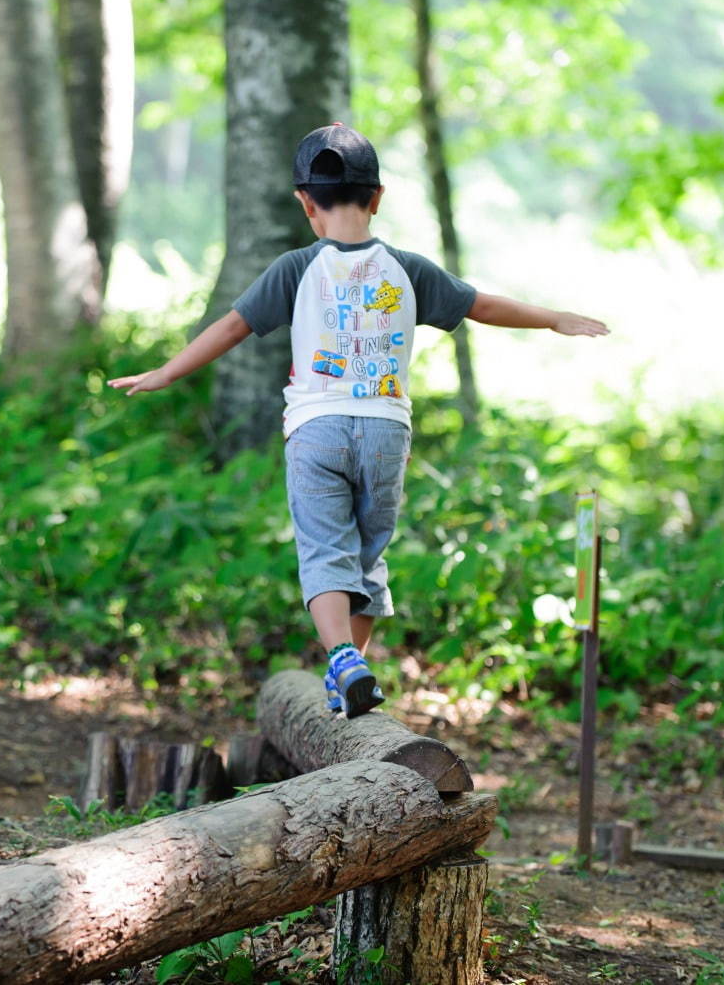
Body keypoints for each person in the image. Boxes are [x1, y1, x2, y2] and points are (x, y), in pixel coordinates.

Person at [109, 122, 609, 718]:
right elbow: (481, 305)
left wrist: (167, 371)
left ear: (305, 203)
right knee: (369, 560)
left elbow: (232, 325)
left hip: (316, 428)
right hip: (384, 431)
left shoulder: (296, 268)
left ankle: (344, 659)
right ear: (377, 198)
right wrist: (554, 317)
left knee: (325, 551)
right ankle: (348, 674)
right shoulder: (407, 269)